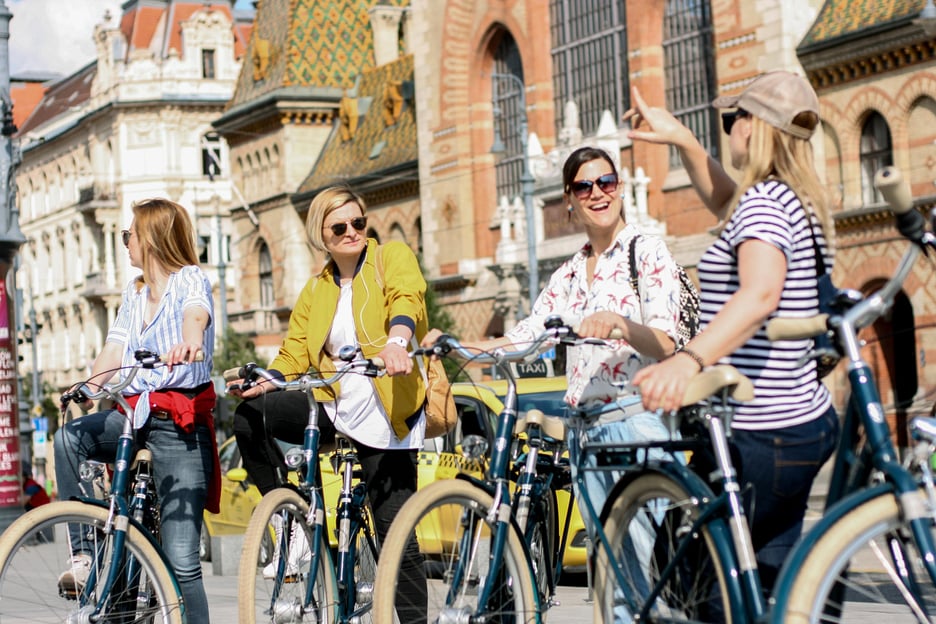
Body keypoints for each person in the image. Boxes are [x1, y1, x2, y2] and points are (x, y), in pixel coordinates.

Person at [628, 71, 840, 593]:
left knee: (688, 585)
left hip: (758, 429)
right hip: (800, 421)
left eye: (732, 118)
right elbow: (726, 200)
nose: (729, 130)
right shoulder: (791, 198)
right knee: (768, 586)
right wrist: (683, 139)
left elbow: (760, 294)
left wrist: (687, 360)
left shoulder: (765, 204)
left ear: (755, 127)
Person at [426, 145, 682, 542]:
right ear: (569, 200)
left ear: (620, 188)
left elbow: (667, 344)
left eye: (606, 181)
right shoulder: (568, 275)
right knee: (606, 569)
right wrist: (458, 346)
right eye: (584, 187)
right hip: (584, 435)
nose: (598, 193)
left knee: (651, 566)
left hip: (636, 425)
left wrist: (620, 325)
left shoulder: (646, 252)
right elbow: (523, 338)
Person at [228, 186, 427, 616]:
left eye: (358, 222)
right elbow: (295, 351)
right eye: (340, 226)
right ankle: (289, 523)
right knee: (249, 417)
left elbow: (406, 297)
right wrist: (265, 382)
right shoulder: (316, 288)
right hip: (334, 401)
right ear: (322, 234)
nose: (352, 231)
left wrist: (397, 342)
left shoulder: (390, 257)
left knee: (398, 534)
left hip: (386, 405)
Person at [53, 198, 218, 622]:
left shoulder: (190, 280)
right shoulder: (135, 291)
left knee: (182, 562)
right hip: (133, 418)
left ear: (151, 238)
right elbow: (114, 348)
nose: (125, 242)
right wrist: (88, 387)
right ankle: (85, 556)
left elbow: (195, 314)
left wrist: (189, 341)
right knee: (70, 439)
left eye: (129, 235)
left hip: (178, 427)